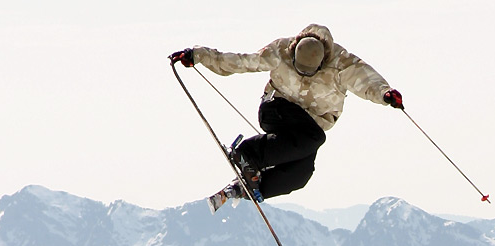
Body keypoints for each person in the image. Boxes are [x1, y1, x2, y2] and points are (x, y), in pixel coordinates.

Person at [170, 24, 403, 212]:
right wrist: (198, 55)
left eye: (309, 72)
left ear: (322, 63)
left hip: (305, 127)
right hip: (276, 109)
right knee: (314, 138)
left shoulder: (341, 63)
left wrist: (385, 94)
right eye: (298, 68)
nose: (303, 74)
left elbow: (366, 80)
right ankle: (247, 153)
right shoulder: (281, 50)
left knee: (301, 174)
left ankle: (249, 187)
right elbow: (242, 61)